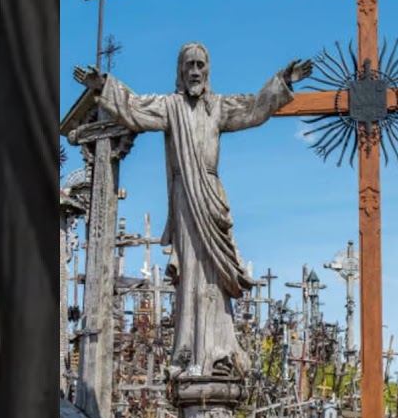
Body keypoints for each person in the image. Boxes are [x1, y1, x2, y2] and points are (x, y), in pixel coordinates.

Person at [74, 45, 311, 378]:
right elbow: (136, 109)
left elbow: (255, 109)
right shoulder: (170, 107)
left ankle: (220, 348)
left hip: (211, 197)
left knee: (213, 277)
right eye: (189, 65)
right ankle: (189, 351)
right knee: (191, 275)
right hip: (185, 198)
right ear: (180, 71)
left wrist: (283, 82)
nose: (195, 71)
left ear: (208, 70)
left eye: (201, 65)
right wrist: (105, 86)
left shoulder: (219, 107)